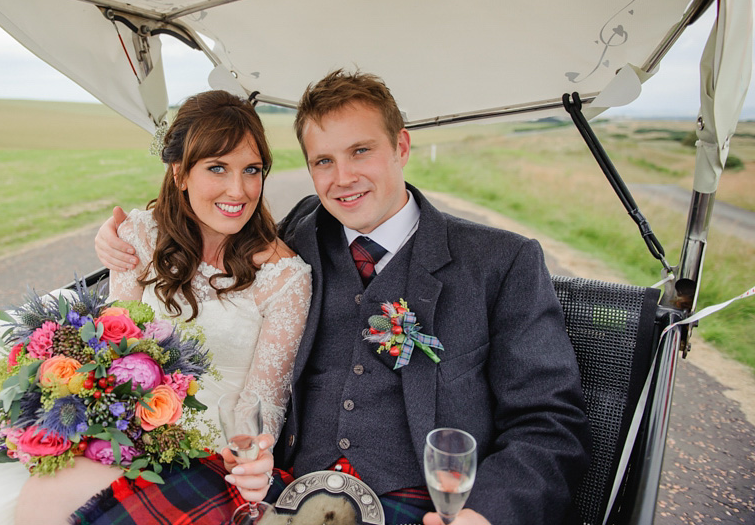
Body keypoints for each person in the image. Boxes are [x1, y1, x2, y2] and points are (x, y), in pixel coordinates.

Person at [95, 70, 591, 525]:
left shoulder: (501, 262)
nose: (343, 178)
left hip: (422, 507)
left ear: (401, 146)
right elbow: (210, 228)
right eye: (323, 161)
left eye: (361, 151)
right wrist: (122, 239)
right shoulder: (299, 239)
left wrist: (486, 514)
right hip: (287, 493)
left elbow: (550, 423)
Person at [0, 91, 312, 525]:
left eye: (252, 170)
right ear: (180, 173)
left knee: (50, 500)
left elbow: (263, 401)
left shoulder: (284, 277)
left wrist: (242, 453)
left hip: (204, 446)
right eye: (216, 168)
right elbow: (115, 338)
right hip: (117, 419)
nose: (238, 190)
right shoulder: (140, 234)